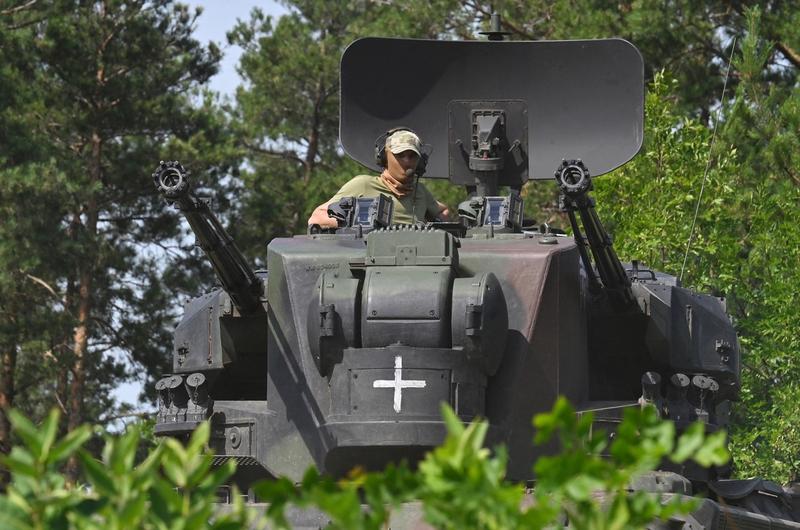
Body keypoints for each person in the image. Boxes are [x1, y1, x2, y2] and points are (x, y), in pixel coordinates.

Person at [307, 128, 449, 228]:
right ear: (384, 158)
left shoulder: (420, 192)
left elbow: (443, 211)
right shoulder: (363, 185)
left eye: (412, 156)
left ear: (420, 162)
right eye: (400, 155)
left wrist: (435, 228)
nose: (407, 161)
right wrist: (352, 224)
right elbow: (317, 217)